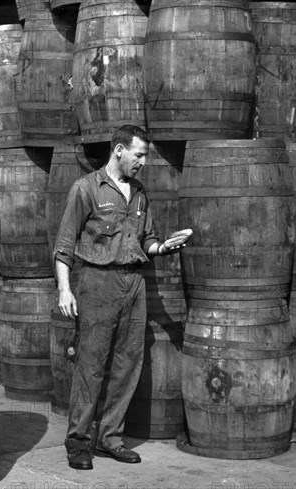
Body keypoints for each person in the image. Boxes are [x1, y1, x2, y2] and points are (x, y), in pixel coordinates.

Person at [53, 124, 191, 470]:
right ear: (118, 150)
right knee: (91, 365)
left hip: (134, 285)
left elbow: (146, 239)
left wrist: (162, 246)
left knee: (127, 366)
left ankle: (110, 438)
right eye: (139, 154)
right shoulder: (86, 189)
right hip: (98, 284)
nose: (143, 162)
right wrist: (65, 288)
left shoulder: (140, 193)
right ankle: (79, 442)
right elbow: (65, 246)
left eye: (145, 156)